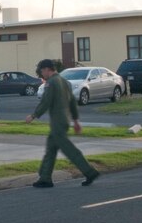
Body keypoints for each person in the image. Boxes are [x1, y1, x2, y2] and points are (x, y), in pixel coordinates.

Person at [24, 58, 100, 188]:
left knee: (70, 150)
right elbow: (72, 103)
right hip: (65, 120)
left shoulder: (52, 82)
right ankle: (45, 178)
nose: (42, 74)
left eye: (42, 71)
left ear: (47, 69)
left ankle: (89, 172)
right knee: (51, 149)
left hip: (58, 122)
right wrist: (75, 121)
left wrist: (34, 115)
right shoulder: (65, 82)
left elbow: (46, 101)